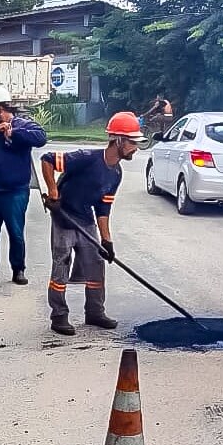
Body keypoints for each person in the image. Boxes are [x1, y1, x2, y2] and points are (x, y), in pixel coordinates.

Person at [41, 112, 146, 336]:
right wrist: (53, 191)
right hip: (63, 217)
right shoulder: (86, 157)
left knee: (96, 266)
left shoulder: (116, 173)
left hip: (85, 220)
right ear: (118, 140)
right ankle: (59, 316)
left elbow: (103, 208)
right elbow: (48, 159)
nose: (135, 148)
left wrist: (107, 241)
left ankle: (95, 313)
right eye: (132, 142)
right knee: (61, 266)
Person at [0, 86, 47, 286]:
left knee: (16, 232)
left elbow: (41, 138)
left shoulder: (24, 125)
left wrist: (14, 133)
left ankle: (18, 270)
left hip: (15, 191)